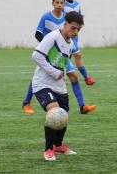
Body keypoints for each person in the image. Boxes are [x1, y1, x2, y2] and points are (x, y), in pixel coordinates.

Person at [22, 0, 96, 114]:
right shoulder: (46, 16)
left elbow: (71, 37)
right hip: (48, 51)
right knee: (41, 76)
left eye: (62, 3)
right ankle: (26, 102)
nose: (59, 5)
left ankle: (82, 106)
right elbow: (38, 34)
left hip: (64, 51)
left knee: (73, 76)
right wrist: (47, 46)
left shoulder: (67, 18)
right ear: (53, 3)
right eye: (57, 2)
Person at [32, 11, 83, 161]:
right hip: (43, 84)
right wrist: (54, 72)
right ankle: (48, 150)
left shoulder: (71, 43)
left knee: (63, 117)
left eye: (78, 30)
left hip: (59, 86)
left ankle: (58, 146)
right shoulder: (52, 37)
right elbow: (36, 56)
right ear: (65, 23)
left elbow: (63, 63)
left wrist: (68, 75)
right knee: (55, 113)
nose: (75, 32)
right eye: (73, 28)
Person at [64, 0, 95, 85]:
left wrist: (79, 26)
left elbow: (80, 18)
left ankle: (85, 78)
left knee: (70, 56)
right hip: (67, 35)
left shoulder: (77, 4)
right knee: (75, 55)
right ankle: (86, 77)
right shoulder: (63, 4)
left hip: (75, 35)